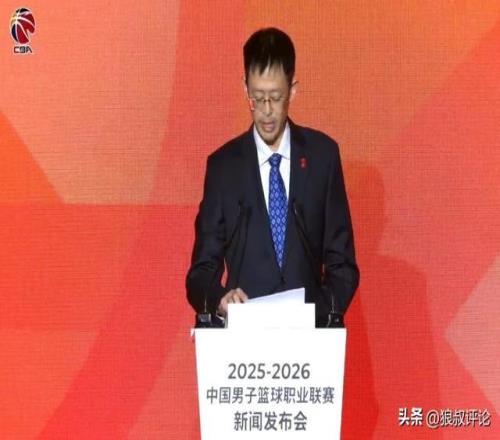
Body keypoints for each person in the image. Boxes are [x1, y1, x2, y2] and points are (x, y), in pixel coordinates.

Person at [186, 27, 359, 327]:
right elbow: (200, 273)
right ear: (245, 88)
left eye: (276, 98)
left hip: (309, 339)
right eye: (258, 98)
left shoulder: (322, 158)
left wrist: (315, 314)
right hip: (244, 341)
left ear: (293, 89)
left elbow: (342, 265)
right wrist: (220, 299)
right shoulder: (223, 168)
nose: (266, 111)